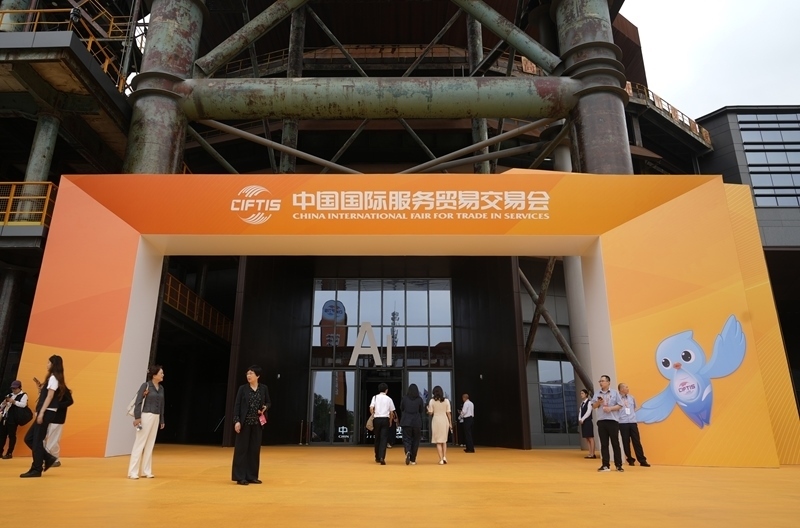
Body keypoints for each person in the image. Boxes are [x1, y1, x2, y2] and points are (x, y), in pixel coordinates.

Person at [21, 355, 68, 478]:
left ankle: (36, 468)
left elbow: (50, 396)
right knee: (30, 438)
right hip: (46, 411)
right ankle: (48, 458)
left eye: (48, 362)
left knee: (36, 440)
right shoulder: (52, 378)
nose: (47, 364)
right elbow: (46, 395)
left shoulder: (53, 378)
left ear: (53, 364)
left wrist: (41, 412)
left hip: (47, 412)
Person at [231, 365, 271, 485]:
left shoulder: (263, 388)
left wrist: (265, 407)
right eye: (247, 374)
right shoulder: (242, 389)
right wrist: (237, 421)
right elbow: (237, 405)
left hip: (257, 423)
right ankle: (240, 477)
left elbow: (268, 402)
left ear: (257, 376)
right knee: (241, 450)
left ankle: (252, 476)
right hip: (245, 423)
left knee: (254, 450)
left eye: (251, 374)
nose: (248, 376)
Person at [127, 365, 166, 479]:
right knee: (140, 443)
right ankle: (132, 471)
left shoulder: (161, 388)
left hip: (156, 417)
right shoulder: (146, 385)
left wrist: (162, 419)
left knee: (150, 444)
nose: (163, 375)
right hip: (146, 416)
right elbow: (138, 401)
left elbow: (162, 405)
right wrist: (137, 417)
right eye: (161, 373)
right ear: (154, 375)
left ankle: (146, 470)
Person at [590, 374, 624, 473]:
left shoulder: (614, 393)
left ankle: (618, 465)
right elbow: (593, 406)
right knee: (604, 444)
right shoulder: (597, 393)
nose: (601, 383)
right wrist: (598, 402)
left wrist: (610, 408)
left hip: (613, 421)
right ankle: (605, 465)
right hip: (602, 421)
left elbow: (620, 405)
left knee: (615, 443)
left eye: (603, 381)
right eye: (600, 381)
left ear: (608, 382)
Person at [618, 383, 650, 467]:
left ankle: (642, 460)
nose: (628, 388)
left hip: (632, 422)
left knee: (637, 441)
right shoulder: (617, 399)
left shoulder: (631, 397)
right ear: (621, 389)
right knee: (626, 442)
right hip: (623, 422)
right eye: (626, 387)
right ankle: (630, 459)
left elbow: (634, 408)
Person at [1, 380, 28, 459]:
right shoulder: (9, 395)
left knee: (12, 436)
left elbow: (23, 405)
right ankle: (0, 451)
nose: (14, 390)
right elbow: (1, 406)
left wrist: (14, 402)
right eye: (12, 388)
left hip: (13, 418)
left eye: (15, 388)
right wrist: (4, 402)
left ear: (19, 388)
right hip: (5, 417)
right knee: (2, 435)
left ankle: (9, 452)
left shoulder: (23, 395)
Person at [369, 383, 395, 465]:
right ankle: (382, 457)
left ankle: (377, 456)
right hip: (385, 419)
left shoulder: (375, 397)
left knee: (377, 438)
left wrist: (373, 414)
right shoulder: (389, 399)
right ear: (386, 390)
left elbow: (371, 408)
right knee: (384, 439)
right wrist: (390, 421)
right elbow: (391, 412)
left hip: (377, 419)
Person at [399, 383, 425, 465]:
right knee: (416, 440)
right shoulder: (419, 399)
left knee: (407, 439)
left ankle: (407, 451)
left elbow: (401, 408)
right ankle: (413, 459)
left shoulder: (404, 398)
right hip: (416, 422)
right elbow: (421, 410)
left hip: (406, 421)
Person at [427, 385, 452, 465]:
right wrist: (450, 422)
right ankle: (444, 456)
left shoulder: (432, 401)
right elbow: (448, 413)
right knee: (444, 440)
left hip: (436, 420)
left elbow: (430, 413)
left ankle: (441, 459)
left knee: (438, 441)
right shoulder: (446, 401)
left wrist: (428, 410)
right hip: (445, 420)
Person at [579, 389, 596, 459]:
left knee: (590, 437)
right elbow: (580, 412)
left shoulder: (589, 402)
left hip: (588, 421)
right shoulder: (582, 403)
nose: (581, 395)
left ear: (586, 394)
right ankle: (590, 453)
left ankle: (593, 453)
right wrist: (579, 419)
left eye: (582, 393)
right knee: (587, 438)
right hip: (583, 422)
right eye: (581, 393)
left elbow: (588, 412)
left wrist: (582, 419)